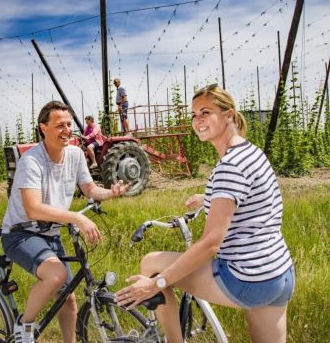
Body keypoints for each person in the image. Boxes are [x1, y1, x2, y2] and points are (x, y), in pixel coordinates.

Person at [115, 84, 295, 343]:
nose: (197, 121)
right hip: (278, 273)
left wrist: (157, 284)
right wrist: (208, 198)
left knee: (152, 263)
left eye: (206, 112)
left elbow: (211, 244)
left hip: (247, 278)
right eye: (194, 115)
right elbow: (249, 197)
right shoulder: (250, 152)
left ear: (229, 115)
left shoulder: (229, 167)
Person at [1, 100, 129, 343]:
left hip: (51, 233)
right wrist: (76, 217)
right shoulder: (31, 161)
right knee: (56, 275)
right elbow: (33, 208)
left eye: (69, 124)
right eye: (60, 125)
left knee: (68, 299)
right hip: (21, 234)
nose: (67, 130)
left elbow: (89, 188)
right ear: (43, 128)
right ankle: (24, 327)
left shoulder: (74, 155)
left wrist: (110, 192)